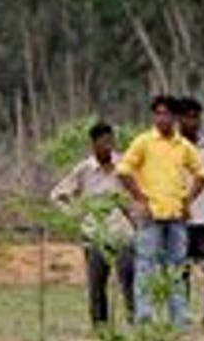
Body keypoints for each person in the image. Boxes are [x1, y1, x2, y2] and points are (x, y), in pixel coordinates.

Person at [118, 95, 204, 328]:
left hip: (176, 217)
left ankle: (179, 321)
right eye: (157, 113)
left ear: (175, 117)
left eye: (167, 114)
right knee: (145, 268)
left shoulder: (183, 145)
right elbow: (124, 170)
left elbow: (201, 174)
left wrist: (188, 200)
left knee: (176, 270)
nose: (162, 118)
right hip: (150, 217)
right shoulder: (144, 142)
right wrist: (140, 198)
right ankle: (144, 321)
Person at [50, 120, 136, 328]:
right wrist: (77, 214)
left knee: (129, 281)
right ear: (93, 144)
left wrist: (136, 217)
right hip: (95, 233)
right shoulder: (84, 169)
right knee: (97, 284)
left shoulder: (124, 165)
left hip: (123, 233)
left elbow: (137, 192)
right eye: (103, 142)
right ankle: (100, 328)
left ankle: (136, 324)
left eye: (110, 141)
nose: (108, 146)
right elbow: (57, 195)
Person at [174, 96, 204, 329]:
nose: (192, 122)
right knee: (179, 272)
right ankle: (180, 318)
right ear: (178, 119)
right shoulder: (170, 148)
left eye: (196, 117)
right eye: (187, 117)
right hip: (177, 220)